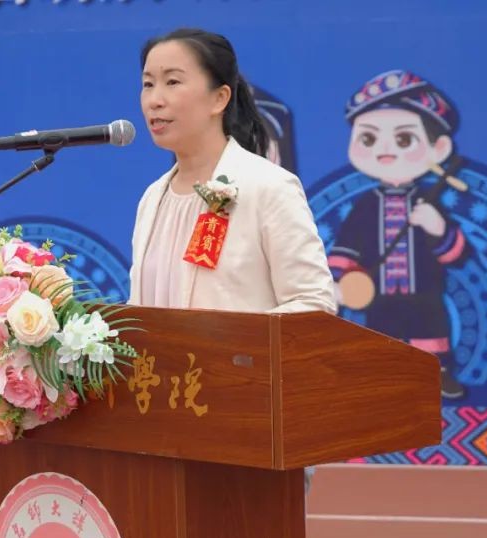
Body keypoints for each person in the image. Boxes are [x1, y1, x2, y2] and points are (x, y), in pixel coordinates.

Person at [127, 28, 338, 493]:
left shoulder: (267, 187)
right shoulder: (152, 199)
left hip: (246, 426)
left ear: (219, 97)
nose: (155, 100)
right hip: (163, 429)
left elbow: (313, 304)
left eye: (172, 82)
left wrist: (229, 357)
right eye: (147, 84)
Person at [327, 70, 473, 399]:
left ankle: (436, 374)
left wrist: (436, 227)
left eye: (404, 140)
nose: (385, 151)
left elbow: (456, 254)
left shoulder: (429, 205)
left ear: (439, 148)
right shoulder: (366, 205)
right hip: (380, 293)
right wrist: (337, 283)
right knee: (381, 335)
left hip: (424, 292)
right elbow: (346, 247)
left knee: (430, 330)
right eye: (368, 139)